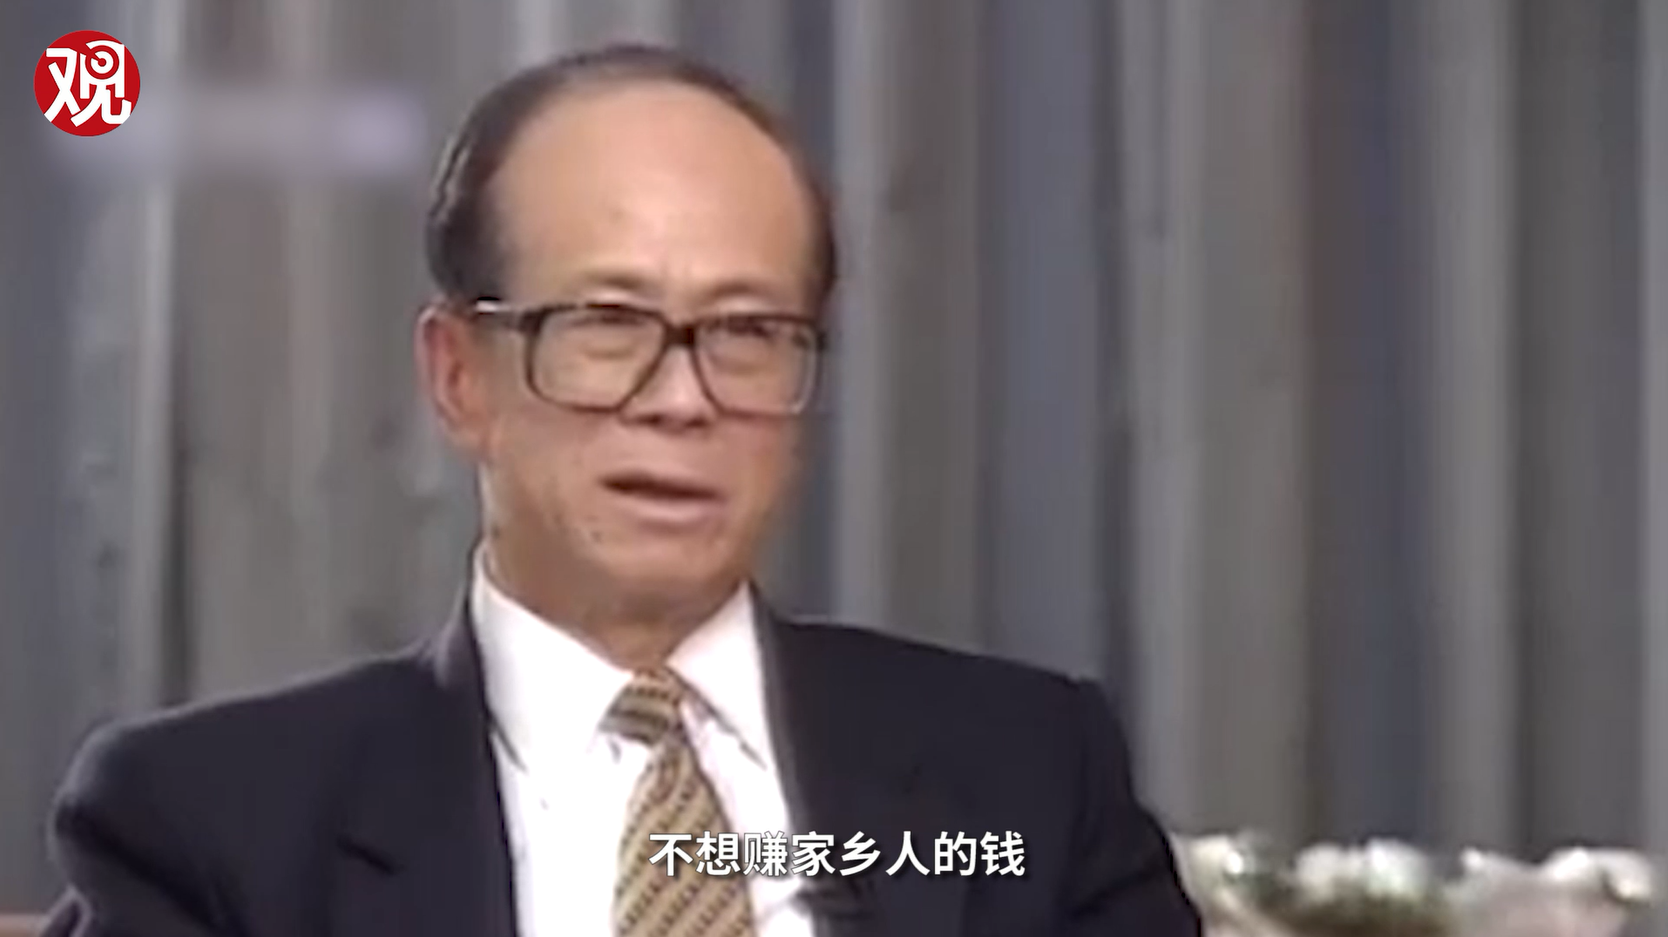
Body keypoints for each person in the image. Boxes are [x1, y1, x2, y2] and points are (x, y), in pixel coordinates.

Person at [41, 44, 1200, 937]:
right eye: (607, 324)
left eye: (747, 332)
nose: (682, 399)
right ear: (458, 376)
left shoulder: (1026, 776)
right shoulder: (208, 826)